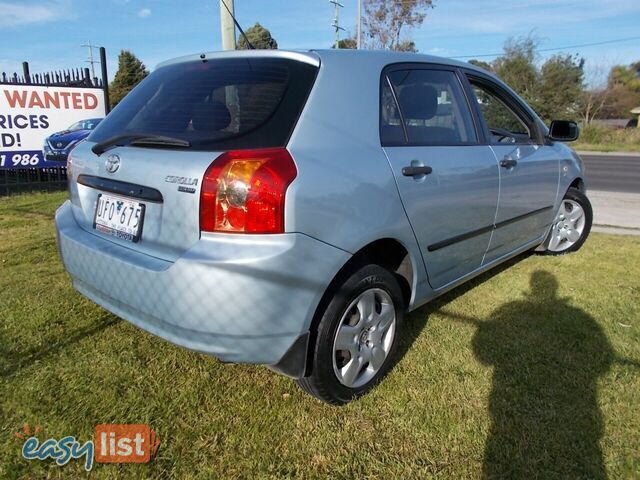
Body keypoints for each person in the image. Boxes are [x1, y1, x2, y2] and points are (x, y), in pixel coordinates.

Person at [472, 270, 614, 479]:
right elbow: (603, 363)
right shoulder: (580, 317)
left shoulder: (512, 310)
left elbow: (482, 354)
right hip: (582, 421)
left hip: (516, 411)